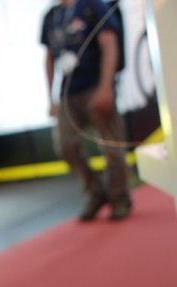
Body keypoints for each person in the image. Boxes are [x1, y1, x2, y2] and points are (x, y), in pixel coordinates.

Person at [41, 0, 132, 220]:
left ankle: (119, 197)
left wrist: (106, 87)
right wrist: (50, 98)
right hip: (68, 93)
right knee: (65, 146)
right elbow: (49, 58)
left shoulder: (93, 6)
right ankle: (96, 192)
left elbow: (109, 44)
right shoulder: (51, 16)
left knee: (111, 146)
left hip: (96, 86)